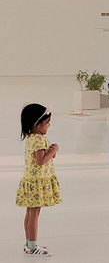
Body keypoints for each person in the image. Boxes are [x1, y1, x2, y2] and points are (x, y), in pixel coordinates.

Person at [16, 104, 61, 256]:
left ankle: (29, 244)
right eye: (47, 122)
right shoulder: (39, 140)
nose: (49, 125)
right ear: (37, 124)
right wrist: (54, 150)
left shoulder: (32, 138)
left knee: (30, 213)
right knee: (34, 214)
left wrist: (50, 150)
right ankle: (33, 247)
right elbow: (41, 161)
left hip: (31, 180)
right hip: (37, 182)